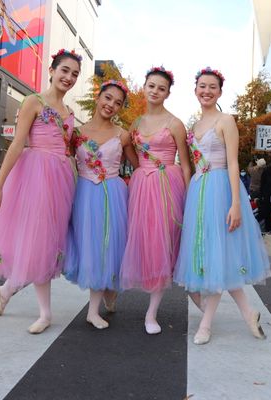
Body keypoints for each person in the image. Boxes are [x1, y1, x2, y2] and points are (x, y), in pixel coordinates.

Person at [0, 48, 81, 334]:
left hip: (60, 180)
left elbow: (69, 148)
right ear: (52, 70)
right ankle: (45, 313)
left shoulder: (70, 113)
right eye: (65, 70)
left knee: (44, 241)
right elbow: (18, 143)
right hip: (35, 176)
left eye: (74, 74)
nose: (69, 77)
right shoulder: (34, 101)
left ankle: (6, 291)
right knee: (39, 240)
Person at [174, 67, 271, 345]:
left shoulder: (226, 120)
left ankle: (205, 325)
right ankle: (248, 313)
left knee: (217, 253)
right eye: (202, 86)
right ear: (195, 90)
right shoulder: (194, 127)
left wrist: (235, 204)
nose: (206, 91)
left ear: (220, 91)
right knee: (210, 255)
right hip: (199, 191)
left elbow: (232, 163)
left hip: (220, 190)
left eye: (212, 87)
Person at [120, 66, 190, 335]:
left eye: (161, 88)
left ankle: (152, 313)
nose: (155, 91)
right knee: (145, 242)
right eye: (151, 86)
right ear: (144, 86)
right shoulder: (135, 123)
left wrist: (186, 196)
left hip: (167, 185)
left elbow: (185, 165)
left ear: (168, 93)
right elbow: (131, 154)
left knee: (163, 243)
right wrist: (142, 172)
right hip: (142, 185)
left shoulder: (175, 124)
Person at [64, 80, 138, 330]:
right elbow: (63, 160)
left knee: (105, 247)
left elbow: (139, 167)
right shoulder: (76, 132)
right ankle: (106, 290)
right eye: (108, 98)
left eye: (117, 103)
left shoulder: (123, 135)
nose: (111, 105)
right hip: (84, 194)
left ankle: (93, 310)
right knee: (89, 246)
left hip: (113, 195)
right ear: (98, 97)